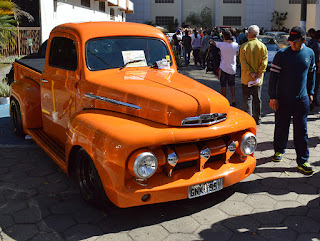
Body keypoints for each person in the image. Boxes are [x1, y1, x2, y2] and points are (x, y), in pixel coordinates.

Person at [268, 26, 316, 174]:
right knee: (281, 127)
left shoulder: (309, 53)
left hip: (302, 100)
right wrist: (273, 97)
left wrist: (311, 92)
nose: (293, 44)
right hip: (283, 99)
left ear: (303, 40)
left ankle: (302, 160)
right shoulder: (282, 55)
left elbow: (312, 74)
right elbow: (273, 78)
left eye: (296, 42)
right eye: (291, 42)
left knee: (302, 131)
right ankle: (279, 150)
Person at [240, 25, 268, 125]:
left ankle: (248, 120)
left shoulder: (244, 46)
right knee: (257, 99)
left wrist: (251, 73)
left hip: (246, 79)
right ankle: (258, 119)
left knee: (247, 99)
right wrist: (258, 74)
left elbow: (243, 62)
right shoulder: (262, 46)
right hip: (258, 80)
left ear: (249, 34)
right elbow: (264, 63)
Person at [213, 30, 239, 106]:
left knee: (223, 85)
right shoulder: (235, 45)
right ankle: (233, 98)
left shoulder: (221, 44)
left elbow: (215, 43)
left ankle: (224, 99)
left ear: (224, 37)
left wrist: (211, 41)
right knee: (232, 84)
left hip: (223, 67)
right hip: (232, 68)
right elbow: (237, 54)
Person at [308, 30, 320, 107]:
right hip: (317, 68)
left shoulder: (311, 42)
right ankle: (314, 101)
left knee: (312, 84)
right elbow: (318, 58)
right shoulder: (317, 45)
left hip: (311, 67)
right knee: (316, 85)